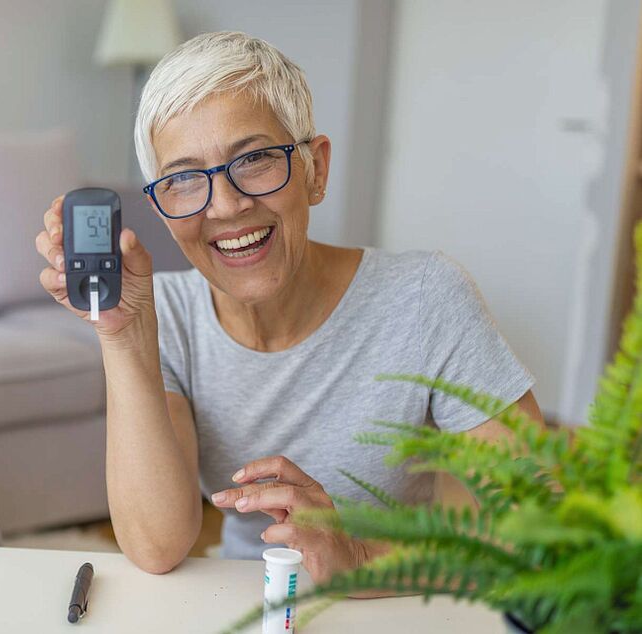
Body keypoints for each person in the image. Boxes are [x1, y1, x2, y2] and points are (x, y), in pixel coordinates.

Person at [33, 31, 544, 584]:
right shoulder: (167, 315)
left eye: (253, 160)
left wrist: (360, 558)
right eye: (182, 179)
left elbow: (544, 529)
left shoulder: (425, 298)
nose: (226, 206)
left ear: (315, 170)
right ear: (160, 205)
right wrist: (122, 334)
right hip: (243, 600)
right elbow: (157, 546)